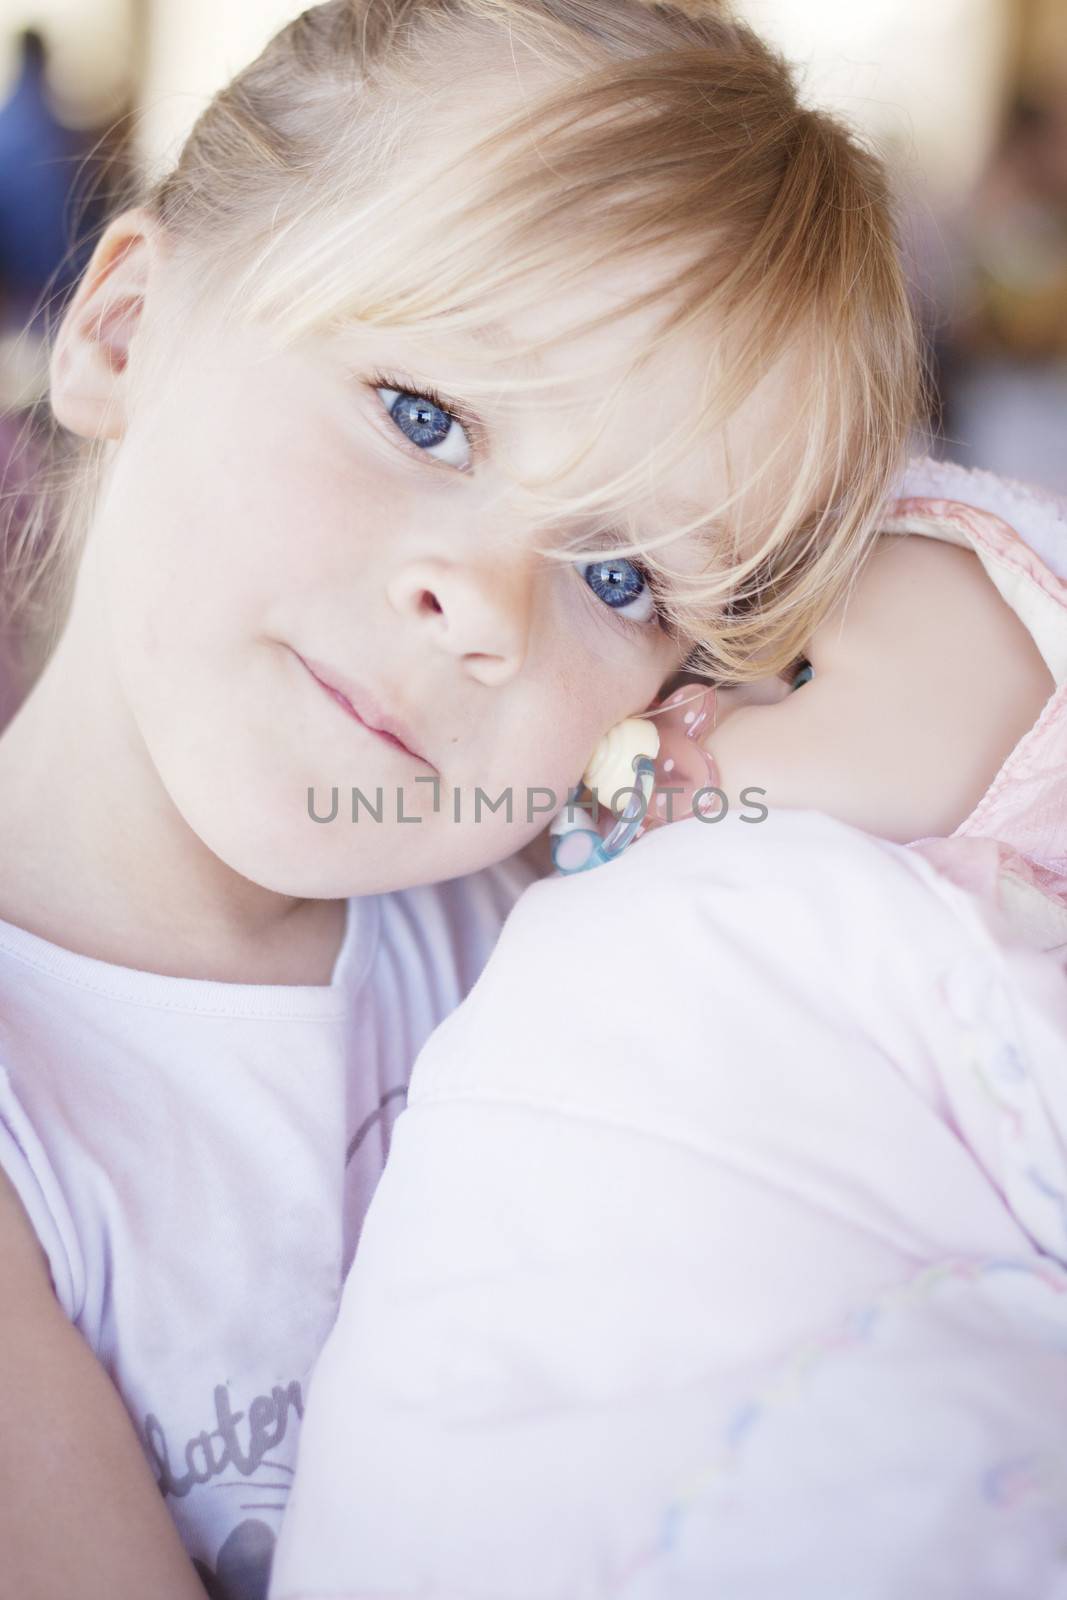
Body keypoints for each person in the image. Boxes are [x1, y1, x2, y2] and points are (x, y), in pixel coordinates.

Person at [0, 2, 924, 1595]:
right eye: (422, 415)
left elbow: (996, 649)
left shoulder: (579, 937)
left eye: (617, 573)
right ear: (123, 333)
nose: (487, 606)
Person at [268, 455, 1067, 1600]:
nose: (682, 708)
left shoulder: (949, 941)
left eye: (790, 676)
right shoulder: (570, 897)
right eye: (693, 667)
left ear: (1016, 794)